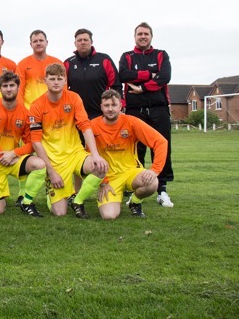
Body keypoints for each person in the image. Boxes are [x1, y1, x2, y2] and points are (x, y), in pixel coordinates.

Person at [27, 63, 108, 219]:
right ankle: (54, 194)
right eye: (52, 79)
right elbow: (36, 141)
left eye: (59, 79)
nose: (56, 82)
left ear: (65, 81)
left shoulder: (74, 98)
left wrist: (95, 155)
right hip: (54, 161)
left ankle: (77, 201)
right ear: (45, 80)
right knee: (59, 212)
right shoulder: (36, 105)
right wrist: (50, 172)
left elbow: (85, 127)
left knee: (100, 166)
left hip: (75, 154)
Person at [119, 22, 174, 207]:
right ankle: (136, 188)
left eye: (146, 34)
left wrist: (142, 87)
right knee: (136, 149)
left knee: (161, 146)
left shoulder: (161, 54)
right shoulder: (127, 56)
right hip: (135, 110)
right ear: (134, 36)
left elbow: (165, 77)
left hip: (159, 108)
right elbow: (124, 75)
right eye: (139, 34)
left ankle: (162, 191)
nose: (143, 36)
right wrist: (150, 74)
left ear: (151, 36)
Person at [92, 90, 167, 219]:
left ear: (121, 106)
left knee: (152, 182)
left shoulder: (132, 122)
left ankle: (135, 202)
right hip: (109, 178)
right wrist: (103, 182)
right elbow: (89, 157)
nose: (110, 109)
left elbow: (160, 142)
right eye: (107, 105)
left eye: (114, 105)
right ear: (101, 107)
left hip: (131, 172)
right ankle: (113, 198)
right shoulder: (93, 126)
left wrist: (155, 170)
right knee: (109, 216)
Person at [0, 71, 45, 215]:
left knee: (39, 164)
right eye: (5, 86)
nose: (8, 89)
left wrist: (14, 153)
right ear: (0, 89)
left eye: (12, 85)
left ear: (18, 87)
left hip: (14, 159)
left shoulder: (25, 112)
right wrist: (2, 156)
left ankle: (26, 201)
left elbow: (31, 143)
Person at [64, 28, 122, 120]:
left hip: (101, 114)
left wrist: (119, 107)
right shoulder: (68, 63)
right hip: (76, 115)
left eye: (85, 40)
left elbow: (116, 85)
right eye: (79, 40)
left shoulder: (104, 59)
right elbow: (63, 89)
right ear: (75, 43)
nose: (82, 42)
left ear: (91, 42)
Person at [16, 30, 62, 109]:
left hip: (53, 110)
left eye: (41, 40)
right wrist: (21, 109)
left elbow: (63, 88)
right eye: (35, 41)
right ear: (31, 44)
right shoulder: (22, 64)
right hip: (30, 110)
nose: (38, 43)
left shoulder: (57, 62)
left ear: (46, 42)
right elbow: (19, 90)